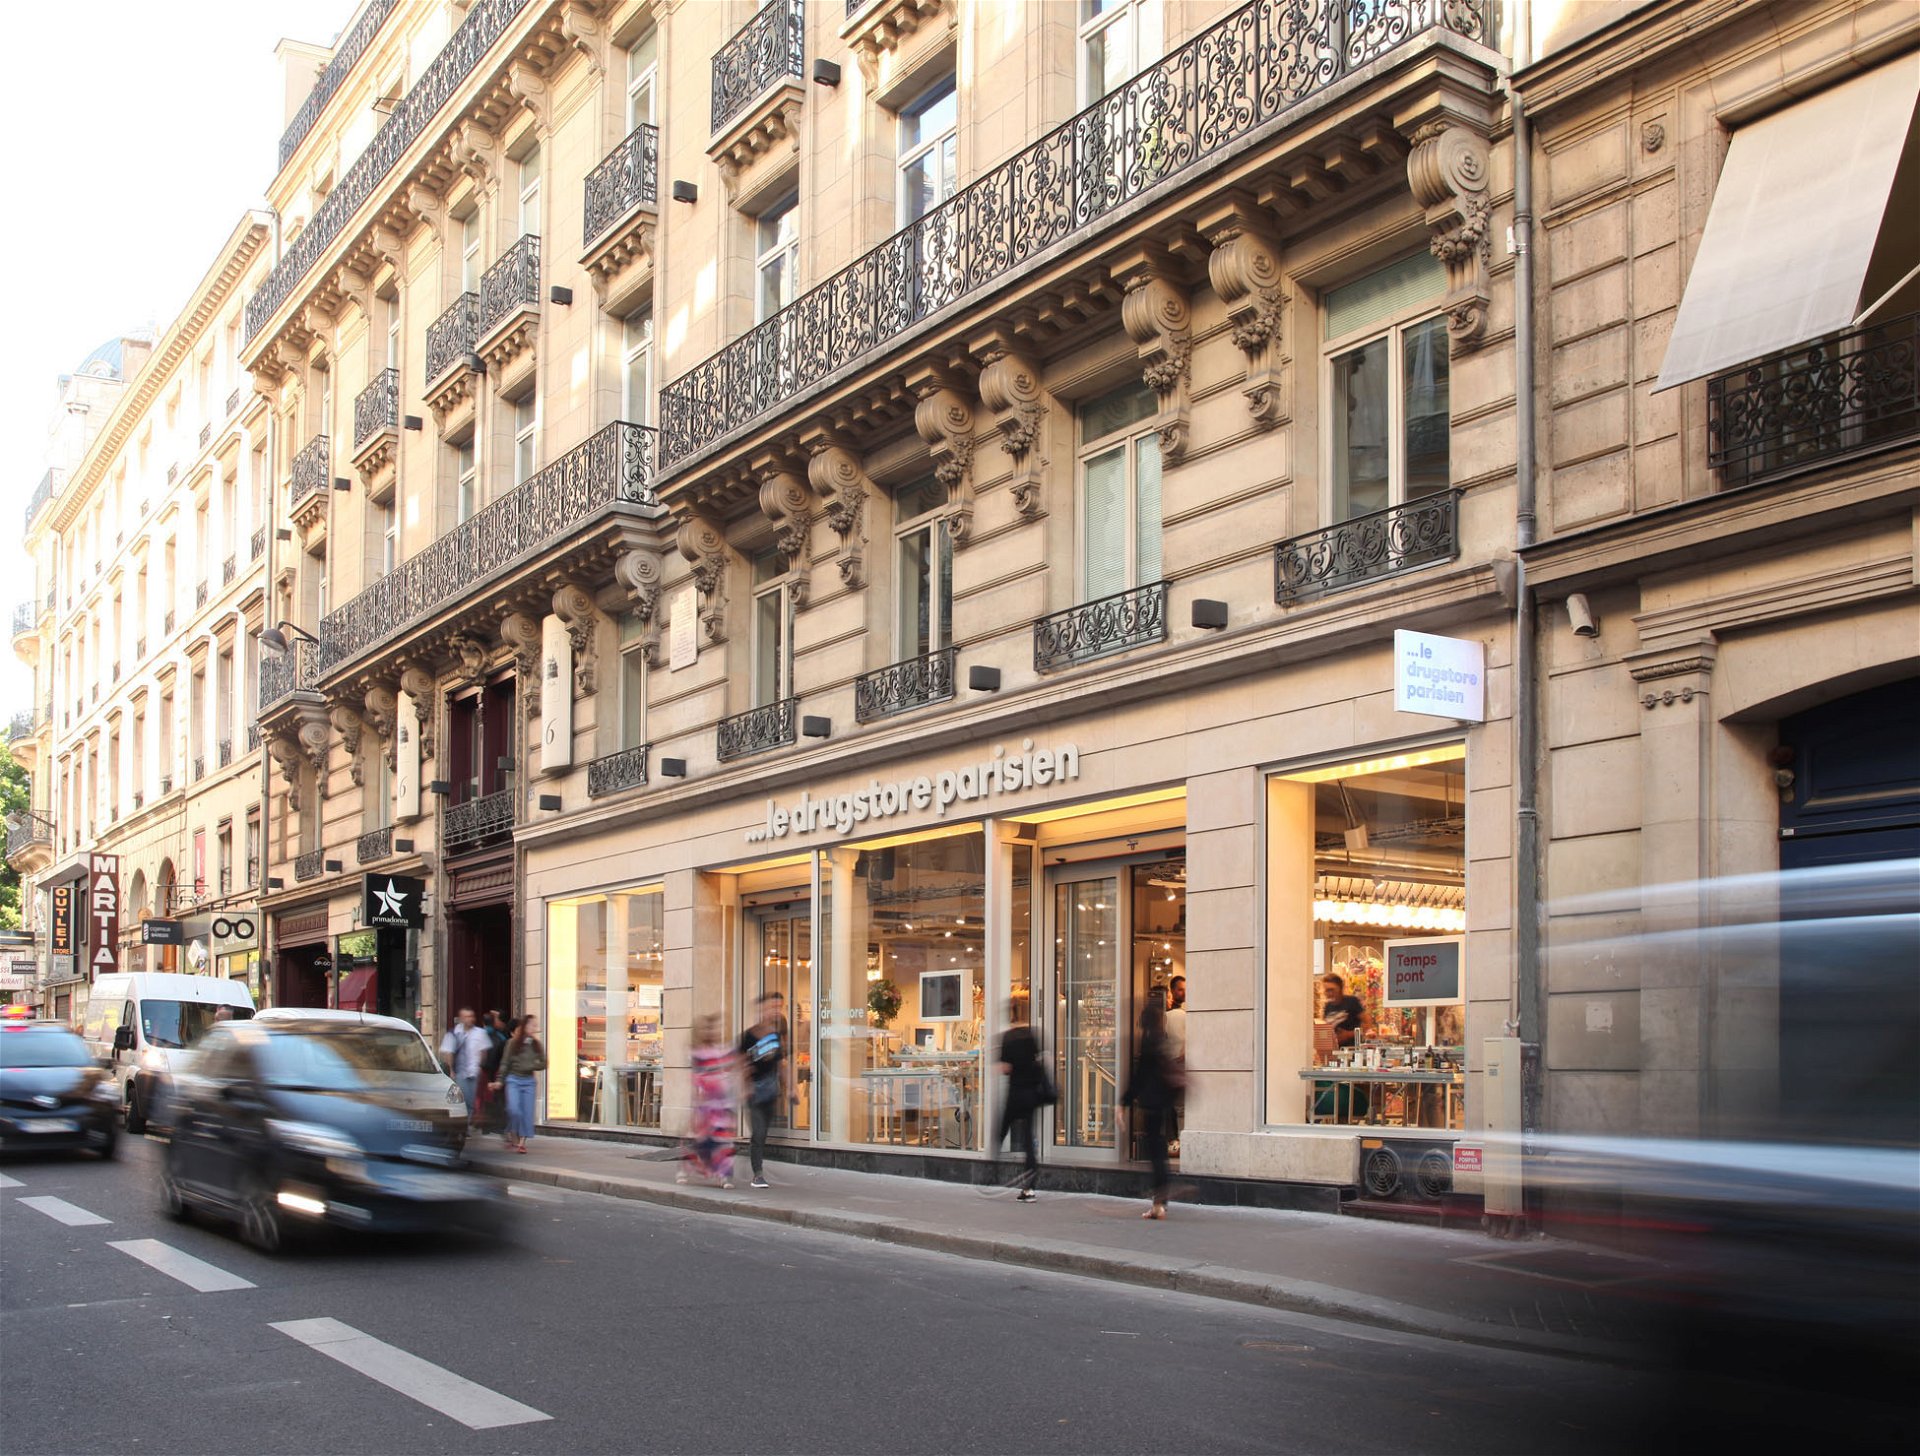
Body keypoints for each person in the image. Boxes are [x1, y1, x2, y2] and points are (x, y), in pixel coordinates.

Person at [1123, 985, 1178, 1220]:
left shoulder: (1149, 1041)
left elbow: (1141, 1073)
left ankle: (1159, 1202)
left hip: (1152, 1101)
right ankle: (1160, 1201)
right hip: (1163, 1099)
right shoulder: (1162, 1038)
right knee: (1158, 1150)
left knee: (1155, 1150)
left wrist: (1124, 1100)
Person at [995, 1005, 1049, 1201]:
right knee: (1028, 1140)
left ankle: (990, 1175)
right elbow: (1042, 1059)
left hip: (1015, 1093)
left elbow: (1005, 1067)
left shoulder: (1008, 1037)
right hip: (1031, 1095)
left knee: (1000, 1132)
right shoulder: (1032, 1036)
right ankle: (1029, 1189)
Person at [737, 992, 787, 1190]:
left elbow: (781, 1063)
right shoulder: (749, 1035)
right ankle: (757, 1174)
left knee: (764, 1132)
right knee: (758, 1132)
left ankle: (754, 1163)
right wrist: (745, 1086)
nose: (775, 1011)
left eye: (778, 1007)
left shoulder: (775, 1035)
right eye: (772, 1007)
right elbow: (740, 1062)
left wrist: (790, 1088)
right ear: (761, 1010)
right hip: (754, 1091)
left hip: (771, 1090)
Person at [681, 1014, 736, 1188]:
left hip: (722, 1104)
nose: (711, 1032)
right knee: (703, 1143)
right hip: (705, 1106)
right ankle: (687, 1167)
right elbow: (695, 1079)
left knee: (724, 1141)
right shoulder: (696, 1053)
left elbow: (730, 1074)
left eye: (714, 1028)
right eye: (707, 1029)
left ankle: (724, 1175)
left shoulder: (724, 1051)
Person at [492, 1013, 546, 1153]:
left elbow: (544, 1063)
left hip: (529, 1081)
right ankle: (512, 1131)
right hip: (514, 1079)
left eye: (535, 1025)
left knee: (527, 1113)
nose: (534, 1027)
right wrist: (499, 1080)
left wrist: (532, 1064)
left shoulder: (536, 1045)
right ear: (523, 1026)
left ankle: (522, 1143)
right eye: (531, 1025)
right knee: (514, 1109)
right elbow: (505, 1063)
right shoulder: (512, 1043)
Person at [439, 1007, 491, 1119]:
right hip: (459, 1073)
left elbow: (484, 1052)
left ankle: (465, 1126)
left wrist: (480, 1067)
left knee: (471, 1101)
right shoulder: (453, 1033)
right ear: (461, 1018)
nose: (470, 1019)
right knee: (461, 1100)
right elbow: (449, 1053)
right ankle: (460, 1126)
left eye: (472, 1016)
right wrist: (451, 1070)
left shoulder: (480, 1033)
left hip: (474, 1072)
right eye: (467, 1016)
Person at [1164, 974, 1188, 1153]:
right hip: (1172, 1065)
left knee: (1175, 1106)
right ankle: (1176, 1140)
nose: (1183, 993)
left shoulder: (1182, 1015)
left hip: (1177, 1065)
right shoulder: (1171, 1016)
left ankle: (1177, 1140)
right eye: (1180, 989)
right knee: (1175, 1106)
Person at [1321, 974, 1366, 1049]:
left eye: (1332, 990)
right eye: (1327, 990)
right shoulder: (1327, 1006)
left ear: (1340, 988)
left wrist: (1349, 1034)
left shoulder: (1352, 1001)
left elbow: (1368, 1024)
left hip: (1352, 1051)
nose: (1330, 993)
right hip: (1334, 1051)